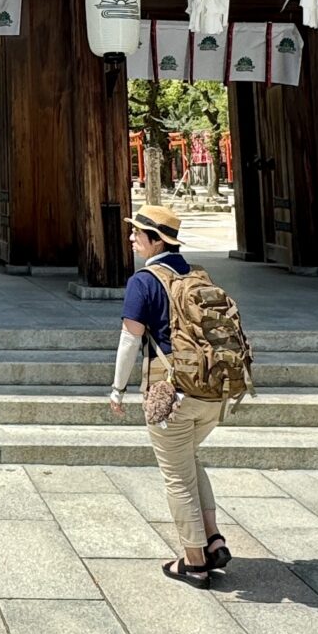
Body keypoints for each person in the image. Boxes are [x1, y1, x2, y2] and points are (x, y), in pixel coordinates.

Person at [110, 203, 229, 586]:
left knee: (176, 476)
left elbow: (131, 340)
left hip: (171, 394)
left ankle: (193, 560)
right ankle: (213, 540)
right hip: (211, 391)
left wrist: (117, 389)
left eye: (137, 233)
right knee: (189, 461)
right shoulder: (197, 275)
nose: (131, 238)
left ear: (155, 240)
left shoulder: (144, 282)